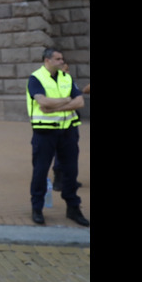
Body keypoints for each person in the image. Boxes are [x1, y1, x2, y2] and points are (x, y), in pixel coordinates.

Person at [26, 48, 89, 226]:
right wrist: (68, 100)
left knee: (70, 171)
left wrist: (56, 106)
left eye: (62, 58)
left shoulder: (66, 77)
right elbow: (42, 102)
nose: (62, 61)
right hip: (44, 132)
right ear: (48, 60)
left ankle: (73, 208)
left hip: (67, 131)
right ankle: (37, 208)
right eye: (58, 59)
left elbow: (80, 102)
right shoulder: (36, 78)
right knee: (40, 170)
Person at [51, 63, 87, 192]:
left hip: (70, 121)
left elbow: (79, 97)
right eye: (66, 68)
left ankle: (69, 179)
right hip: (60, 121)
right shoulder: (56, 82)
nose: (68, 70)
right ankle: (58, 179)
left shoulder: (68, 81)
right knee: (61, 150)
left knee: (70, 150)